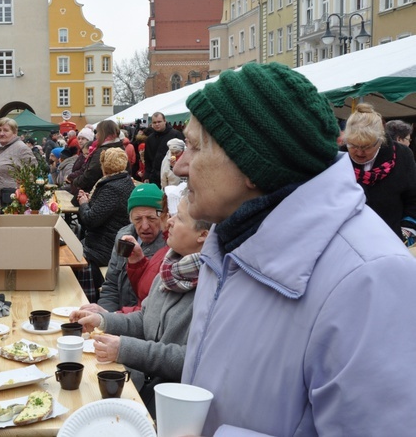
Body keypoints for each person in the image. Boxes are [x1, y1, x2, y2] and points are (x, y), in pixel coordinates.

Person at [175, 62, 416, 435]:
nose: (179, 166)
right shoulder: (231, 240)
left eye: (193, 146)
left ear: (252, 163)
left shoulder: (370, 277)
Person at [71, 194, 209, 416]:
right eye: (171, 215)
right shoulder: (170, 268)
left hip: (170, 405)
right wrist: (104, 320)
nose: (169, 221)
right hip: (144, 386)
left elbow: (190, 359)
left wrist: (124, 349)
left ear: (203, 235)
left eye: (179, 218)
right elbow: (145, 319)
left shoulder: (210, 287)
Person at [82, 183, 167, 314]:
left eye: (151, 218)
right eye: (138, 219)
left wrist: (111, 319)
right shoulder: (124, 237)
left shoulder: (169, 247)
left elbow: (154, 309)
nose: (145, 226)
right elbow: (111, 285)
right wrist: (103, 315)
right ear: (130, 219)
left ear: (163, 217)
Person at [342, 103, 416, 242]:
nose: (359, 152)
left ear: (380, 140)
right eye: (352, 145)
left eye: (366, 147)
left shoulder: (402, 155)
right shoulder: (338, 158)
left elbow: (413, 197)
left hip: (391, 239)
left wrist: (406, 231)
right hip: (348, 242)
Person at [75, 148, 135, 302]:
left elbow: (90, 220)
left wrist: (84, 204)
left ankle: (84, 300)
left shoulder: (111, 188)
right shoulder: (124, 181)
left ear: (104, 165)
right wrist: (90, 203)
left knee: (73, 256)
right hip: (110, 242)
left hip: (103, 248)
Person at [0, 117, 35, 208]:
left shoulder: (21, 149)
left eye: (6, 130)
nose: (1, 133)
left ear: (15, 132)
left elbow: (32, 176)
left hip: (11, 204)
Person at [70, 120, 125, 199]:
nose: (96, 135)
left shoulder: (101, 150)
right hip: (114, 191)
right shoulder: (120, 147)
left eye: (98, 132)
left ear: (103, 133)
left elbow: (92, 173)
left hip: (99, 192)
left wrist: (76, 181)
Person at [143, 112, 184, 187]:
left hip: (172, 177)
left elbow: (184, 155)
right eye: (154, 122)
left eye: (159, 122)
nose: (157, 124)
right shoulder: (149, 139)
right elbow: (147, 159)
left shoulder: (176, 134)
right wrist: (147, 175)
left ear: (165, 121)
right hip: (154, 177)